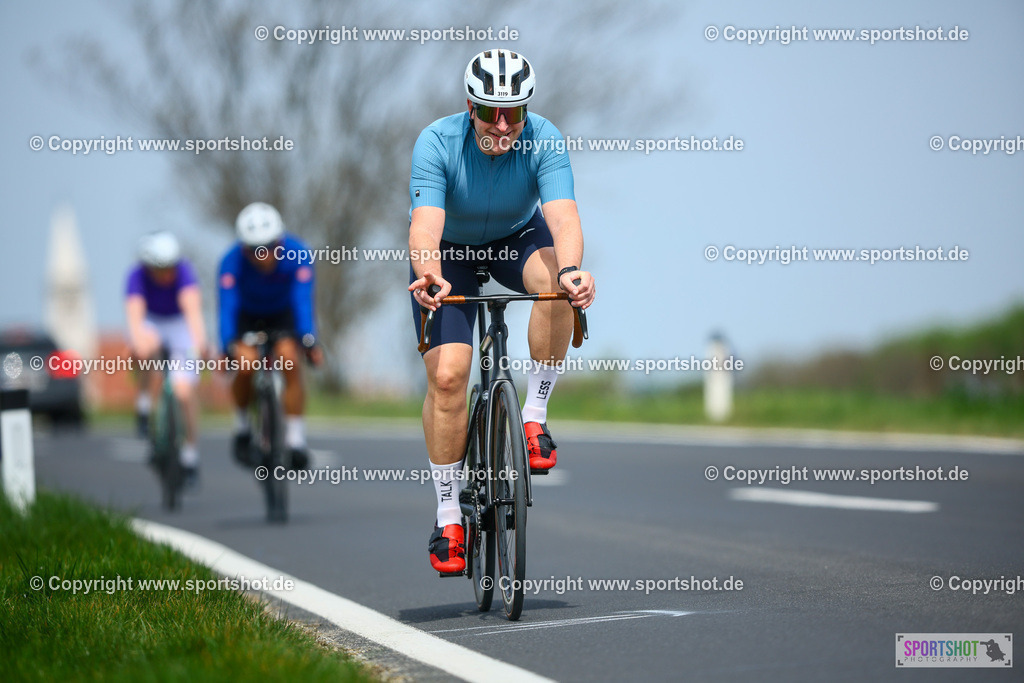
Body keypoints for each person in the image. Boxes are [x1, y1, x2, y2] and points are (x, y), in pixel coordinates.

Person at [407, 49, 596, 574]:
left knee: (557, 282)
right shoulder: (437, 141)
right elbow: (424, 226)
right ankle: (448, 515)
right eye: (489, 111)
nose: (501, 124)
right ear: (470, 106)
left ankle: (532, 416)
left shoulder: (545, 138)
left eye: (513, 112)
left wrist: (573, 271)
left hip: (517, 239)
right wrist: (428, 271)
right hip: (451, 253)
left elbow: (563, 215)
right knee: (448, 378)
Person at [218, 202, 322, 470]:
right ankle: (242, 427)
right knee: (245, 364)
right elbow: (227, 307)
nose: (263, 256)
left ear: (281, 241)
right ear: (243, 248)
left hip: (283, 313)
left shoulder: (298, 254)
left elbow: (303, 301)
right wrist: (226, 345)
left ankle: (296, 439)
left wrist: (309, 340)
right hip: (247, 315)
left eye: (270, 247)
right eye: (254, 249)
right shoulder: (230, 263)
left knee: (290, 358)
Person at [125, 231, 207, 486]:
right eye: (159, 269)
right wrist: (138, 342)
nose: (166, 274)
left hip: (179, 324)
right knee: (144, 350)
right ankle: (144, 405)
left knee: (184, 393)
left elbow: (192, 311)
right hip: (153, 322)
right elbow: (136, 316)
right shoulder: (136, 277)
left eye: (170, 267)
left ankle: (190, 456)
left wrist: (200, 343)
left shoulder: (185, 273)